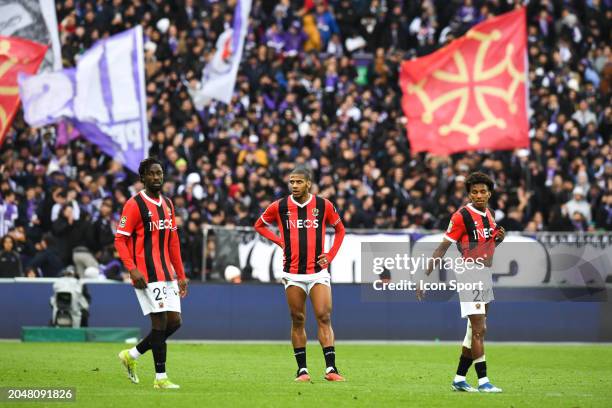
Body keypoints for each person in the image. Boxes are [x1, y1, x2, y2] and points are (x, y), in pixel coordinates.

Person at [254, 166, 346, 382]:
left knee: (324, 316)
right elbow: (259, 225)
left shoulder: (323, 205)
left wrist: (330, 256)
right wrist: (279, 241)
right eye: (291, 182)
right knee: (298, 319)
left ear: (308, 184)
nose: (294, 185)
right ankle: (302, 370)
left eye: (298, 182)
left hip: (318, 272)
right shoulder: (281, 206)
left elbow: (341, 230)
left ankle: (331, 369)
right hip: (293, 273)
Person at [418, 172, 505, 393]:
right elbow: (442, 248)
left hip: (484, 274)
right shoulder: (461, 216)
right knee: (479, 329)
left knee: (472, 331)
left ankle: (459, 379)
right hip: (469, 274)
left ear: (490, 193)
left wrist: (498, 239)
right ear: (468, 194)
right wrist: (423, 276)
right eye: (474, 192)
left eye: (483, 191)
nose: (479, 195)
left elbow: (486, 246)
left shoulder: (490, 215)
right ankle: (484, 382)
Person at [114, 157, 188, 389]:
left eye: (159, 173)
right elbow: (120, 239)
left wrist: (181, 274)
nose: (156, 177)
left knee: (174, 323)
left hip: (167, 272)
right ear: (142, 177)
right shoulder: (134, 205)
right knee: (159, 323)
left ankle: (132, 355)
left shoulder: (167, 203)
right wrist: (132, 269)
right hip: (146, 273)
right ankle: (160, 378)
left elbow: (173, 241)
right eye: (152, 174)